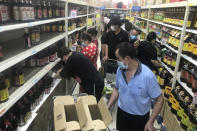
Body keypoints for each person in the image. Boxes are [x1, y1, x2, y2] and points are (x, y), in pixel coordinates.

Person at [107, 42, 164, 131]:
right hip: (122, 114)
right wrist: (108, 106)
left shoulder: (147, 76)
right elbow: (116, 89)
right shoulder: (120, 70)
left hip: (139, 119)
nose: (117, 62)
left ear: (127, 59)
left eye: (118, 59)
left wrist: (150, 121)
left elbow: (160, 99)